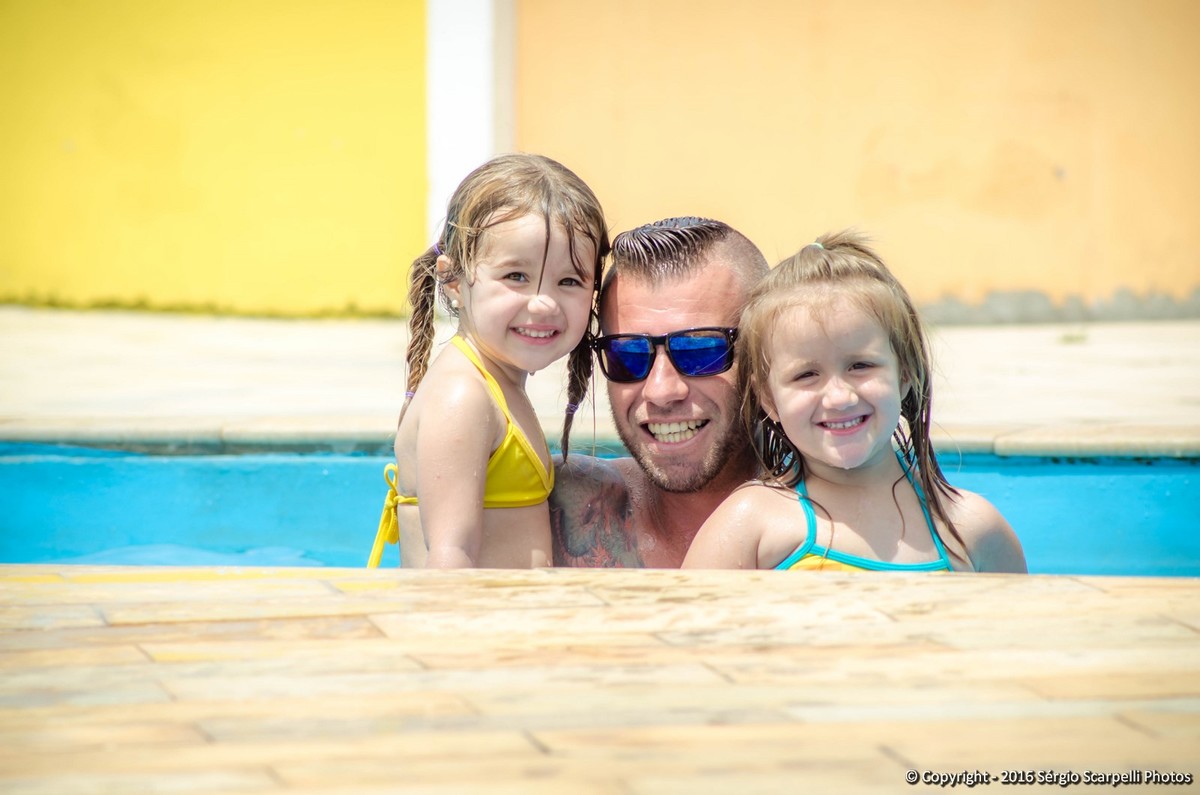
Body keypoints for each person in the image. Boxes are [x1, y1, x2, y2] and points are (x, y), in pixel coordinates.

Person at [682, 230, 1026, 572]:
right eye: (806, 375)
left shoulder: (973, 531)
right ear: (769, 398)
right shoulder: (750, 527)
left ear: (905, 373)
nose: (839, 397)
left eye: (860, 366)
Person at [369, 153, 610, 568]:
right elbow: (450, 558)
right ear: (453, 280)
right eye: (516, 276)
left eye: (569, 280)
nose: (543, 303)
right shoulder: (463, 397)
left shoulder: (493, 385)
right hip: (473, 611)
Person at [550, 216, 769, 567]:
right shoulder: (556, 506)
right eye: (628, 354)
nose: (661, 391)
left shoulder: (839, 519)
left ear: (764, 354)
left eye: (700, 351)